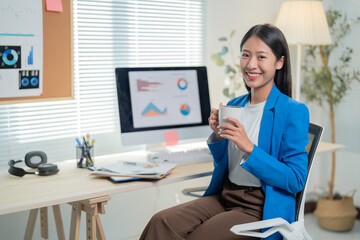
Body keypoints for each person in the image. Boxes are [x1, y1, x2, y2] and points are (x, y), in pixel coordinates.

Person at [140, 23, 309, 240]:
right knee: (160, 222)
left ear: (280, 62)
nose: (251, 65)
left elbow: (295, 179)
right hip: (225, 195)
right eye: (246, 55)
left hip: (260, 206)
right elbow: (224, 164)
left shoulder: (293, 111)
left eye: (261, 57)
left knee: (198, 237)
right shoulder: (235, 104)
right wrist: (219, 137)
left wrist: (249, 147)